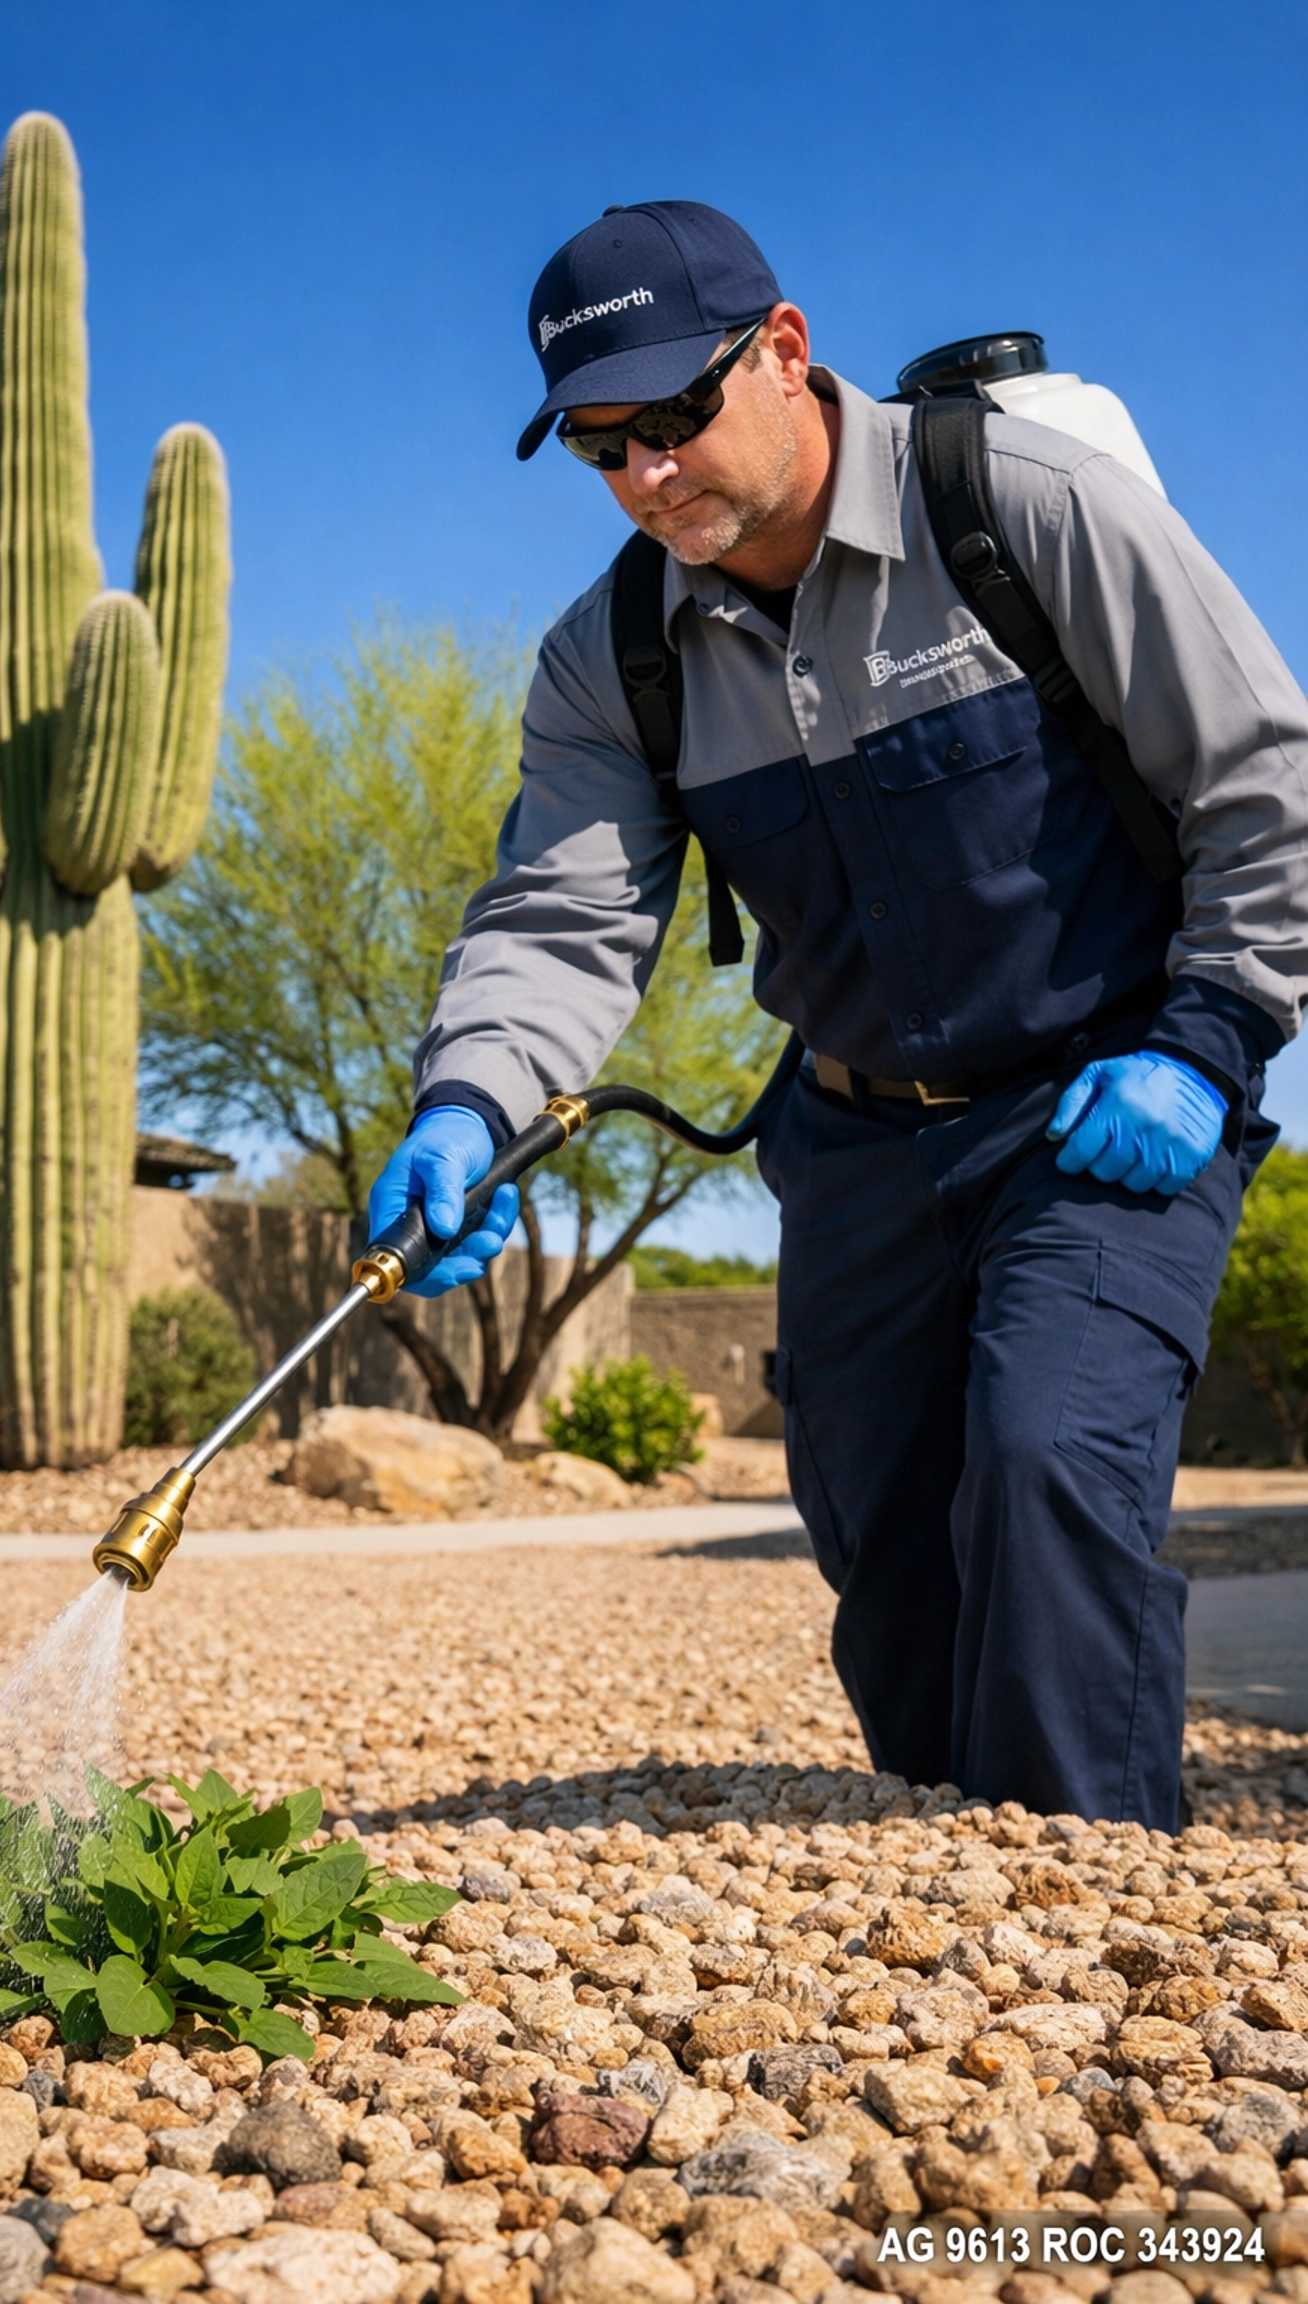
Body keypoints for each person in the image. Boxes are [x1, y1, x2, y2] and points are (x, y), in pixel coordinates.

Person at [367, 200, 1308, 1830]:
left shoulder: (1025, 508)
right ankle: (956, 1899)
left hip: (1106, 1104)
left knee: (1045, 1470)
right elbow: (563, 917)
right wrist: (470, 1106)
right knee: (884, 1546)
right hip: (855, 1145)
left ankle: (1092, 1911)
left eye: (673, 419)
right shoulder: (614, 660)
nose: (648, 477)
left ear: (786, 351)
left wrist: (1205, 1036)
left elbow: (1266, 786)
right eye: (603, 448)